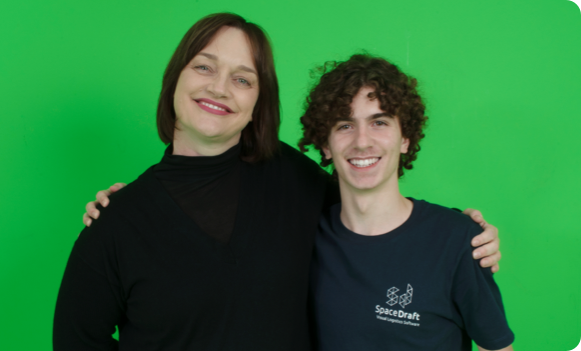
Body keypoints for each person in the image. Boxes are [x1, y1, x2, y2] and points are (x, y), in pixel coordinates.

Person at [64, 12, 501, 350]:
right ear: (174, 77)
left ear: (258, 101)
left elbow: (373, 207)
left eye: (242, 79)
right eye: (203, 67)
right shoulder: (116, 224)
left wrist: (460, 237)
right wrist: (117, 210)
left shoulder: (290, 176)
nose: (219, 88)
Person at [299, 54, 514, 350]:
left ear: (405, 139)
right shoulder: (306, 238)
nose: (362, 141)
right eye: (344, 125)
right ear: (325, 145)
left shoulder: (457, 239)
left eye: (379, 122)